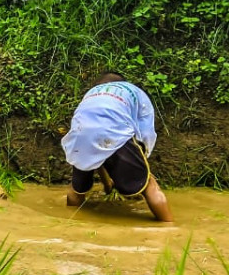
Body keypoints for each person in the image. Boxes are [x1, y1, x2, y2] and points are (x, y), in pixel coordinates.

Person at [61, 73, 172, 222]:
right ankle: (169, 227)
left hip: (80, 134)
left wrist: (108, 185)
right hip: (116, 129)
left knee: (76, 190)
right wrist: (141, 160)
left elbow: (96, 153)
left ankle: (67, 224)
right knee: (150, 186)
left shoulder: (91, 95)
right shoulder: (133, 91)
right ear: (123, 82)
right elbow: (145, 131)